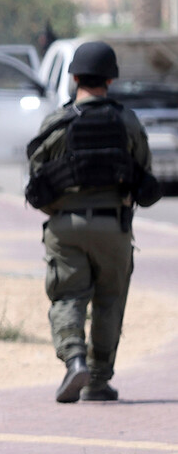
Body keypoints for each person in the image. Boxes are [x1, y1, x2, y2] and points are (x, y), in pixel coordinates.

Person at [24, 40, 161, 403]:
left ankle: (74, 360)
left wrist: (60, 211)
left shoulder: (57, 123)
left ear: (74, 78)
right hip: (113, 226)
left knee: (68, 295)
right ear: (110, 80)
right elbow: (145, 176)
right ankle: (98, 380)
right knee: (109, 301)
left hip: (65, 226)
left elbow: (36, 182)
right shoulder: (127, 122)